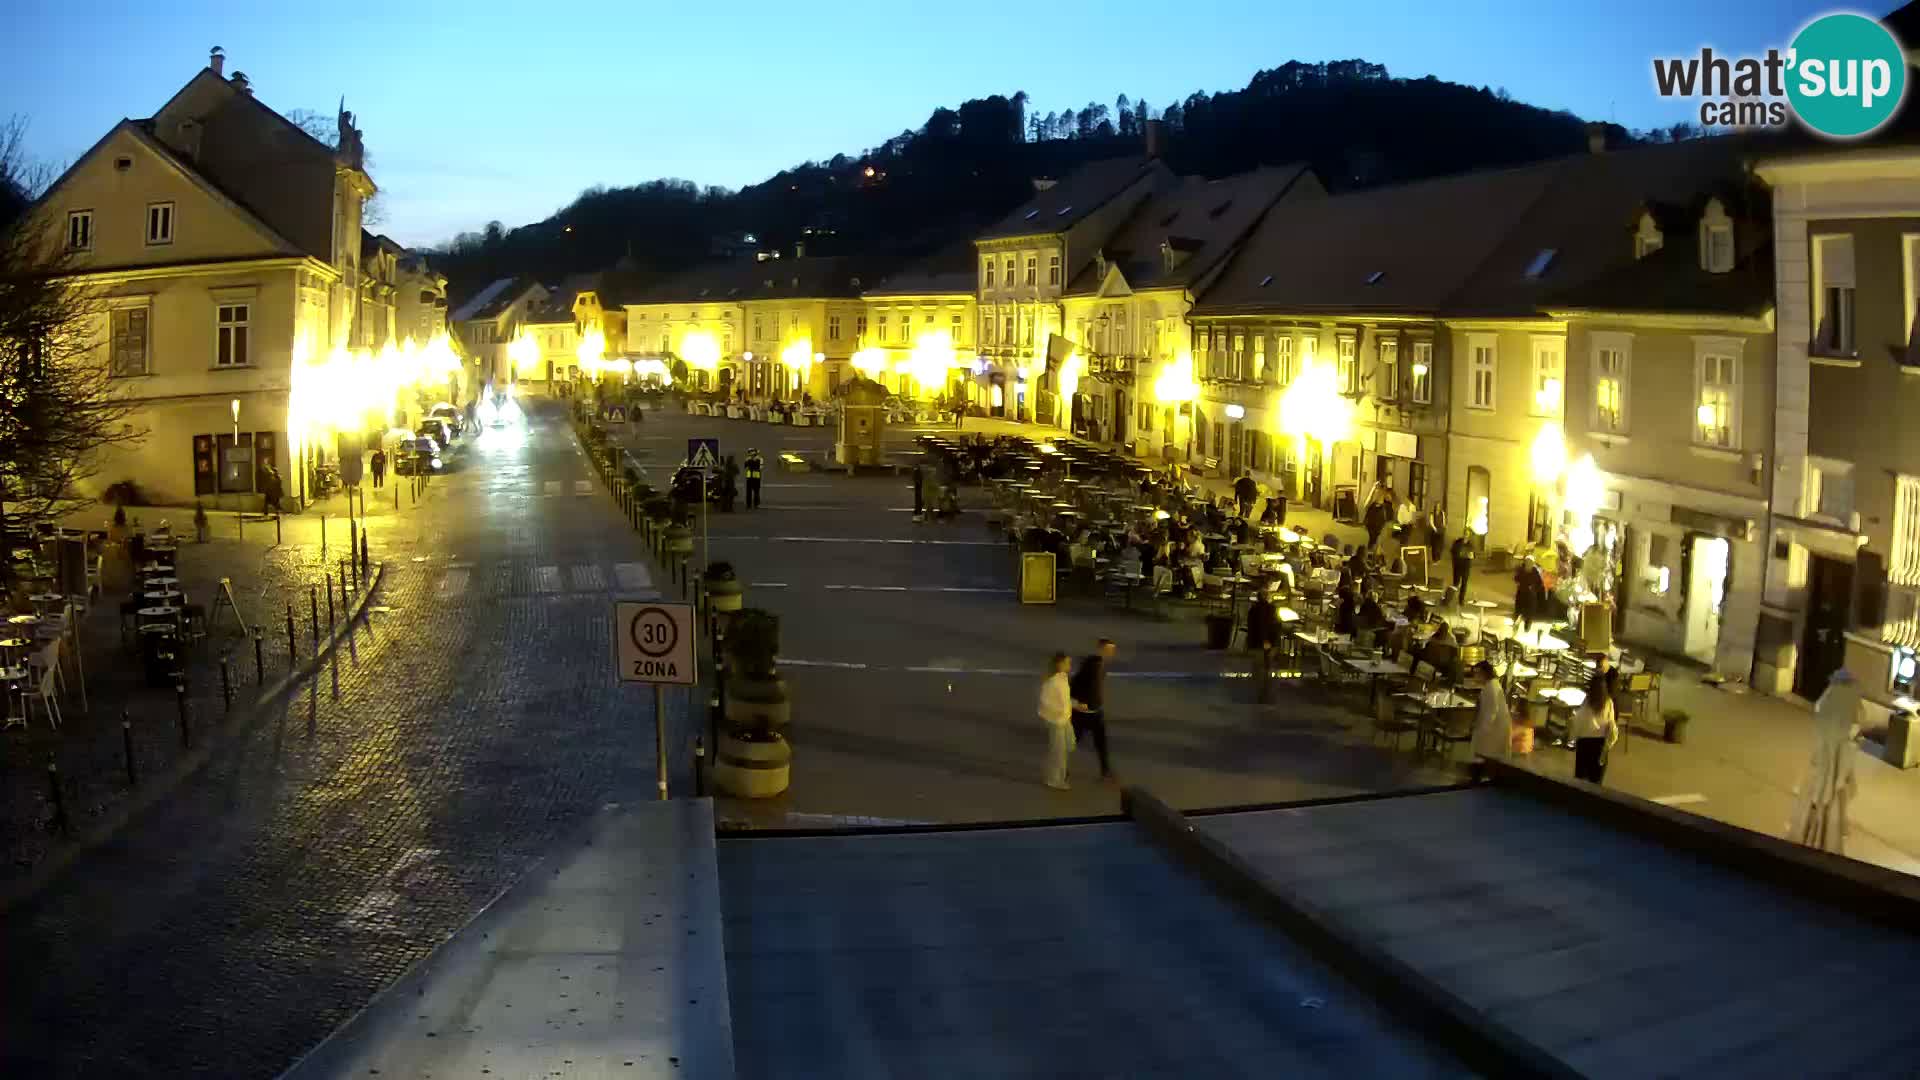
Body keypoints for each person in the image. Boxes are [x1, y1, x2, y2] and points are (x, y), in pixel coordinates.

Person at [1790, 667, 1861, 854]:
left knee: (1815, 809)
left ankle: (1810, 838)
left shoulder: (1829, 705)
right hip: (1830, 775)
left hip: (1822, 772)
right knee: (1828, 814)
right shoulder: (1847, 713)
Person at [1069, 639, 1118, 784]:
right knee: (1072, 741)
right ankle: (1059, 767)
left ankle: (1105, 772)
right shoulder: (1091, 664)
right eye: (1108, 649)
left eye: (1112, 650)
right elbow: (1076, 682)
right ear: (1100, 649)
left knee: (1101, 743)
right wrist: (1076, 703)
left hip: (1096, 712)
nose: (1111, 652)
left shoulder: (1103, 665)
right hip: (1083, 713)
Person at [1570, 668, 1619, 784]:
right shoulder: (1608, 702)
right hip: (1600, 745)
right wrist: (1609, 744)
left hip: (1584, 744)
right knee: (1596, 781)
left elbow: (1578, 721)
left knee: (1580, 780)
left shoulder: (1587, 702)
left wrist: (1573, 737)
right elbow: (1611, 725)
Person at [1469, 660, 1513, 782]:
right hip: (1493, 727)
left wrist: (1481, 729)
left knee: (1488, 754)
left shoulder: (1491, 687)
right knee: (1487, 753)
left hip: (1495, 729)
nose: (1476, 676)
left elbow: (1491, 712)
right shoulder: (1490, 686)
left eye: (1478, 673)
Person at [1039, 652, 1075, 790]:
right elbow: (1044, 702)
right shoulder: (1052, 682)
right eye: (1067, 663)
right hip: (1057, 721)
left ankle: (1059, 773)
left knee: (1068, 745)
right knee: (1058, 752)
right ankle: (1055, 780)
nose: (1069, 665)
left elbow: (1064, 699)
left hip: (1064, 719)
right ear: (1060, 664)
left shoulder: (1063, 678)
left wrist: (1074, 704)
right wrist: (1059, 711)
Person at [1246, 588, 1283, 704]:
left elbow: (1252, 627)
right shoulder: (1270, 609)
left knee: (1258, 669)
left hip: (1256, 643)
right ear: (1267, 597)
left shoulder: (1253, 609)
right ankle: (1264, 695)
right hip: (1266, 643)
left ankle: (1260, 694)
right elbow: (1267, 625)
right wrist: (1267, 641)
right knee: (1265, 668)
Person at [1513, 557, 1546, 631]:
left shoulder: (1535, 572)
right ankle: (1515, 626)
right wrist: (1519, 583)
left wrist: (1534, 589)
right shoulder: (1521, 570)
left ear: (1532, 563)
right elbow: (1516, 578)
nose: (1529, 564)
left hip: (1530, 595)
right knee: (1518, 612)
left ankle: (1527, 627)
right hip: (1521, 594)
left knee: (1529, 613)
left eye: (1530, 562)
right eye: (1527, 562)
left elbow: (1540, 583)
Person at [1450, 533, 1475, 607]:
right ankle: (1449, 598)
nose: (1466, 537)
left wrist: (1472, 556)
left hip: (1466, 567)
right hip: (1458, 566)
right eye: (1465, 535)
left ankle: (1461, 600)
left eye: (1467, 536)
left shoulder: (1470, 545)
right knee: (1455, 584)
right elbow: (1452, 551)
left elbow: (1473, 554)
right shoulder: (1457, 543)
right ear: (1463, 535)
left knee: (1464, 584)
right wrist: (1457, 556)